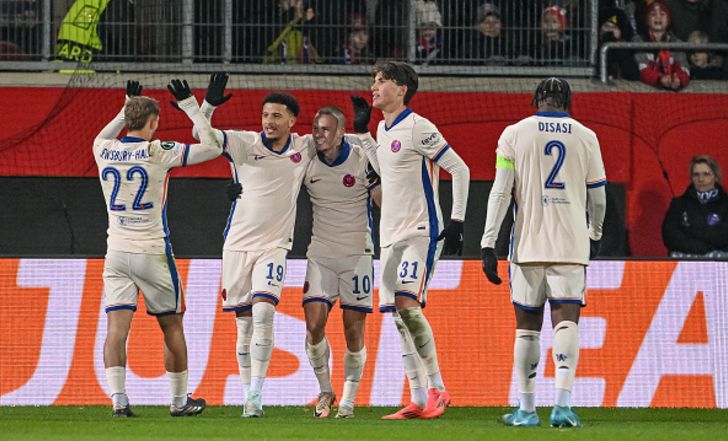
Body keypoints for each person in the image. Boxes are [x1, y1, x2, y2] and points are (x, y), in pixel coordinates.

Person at [481, 77, 607, 428]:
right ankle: (562, 406)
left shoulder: (514, 133)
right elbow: (598, 196)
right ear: (568, 101)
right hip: (571, 243)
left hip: (527, 244)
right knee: (566, 320)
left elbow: (501, 192)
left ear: (537, 99)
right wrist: (595, 233)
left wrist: (488, 242)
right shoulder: (587, 136)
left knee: (527, 327)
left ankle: (526, 410)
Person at [94, 79, 220, 417]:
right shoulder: (158, 150)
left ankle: (118, 399)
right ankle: (179, 402)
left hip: (116, 252)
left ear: (127, 118)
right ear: (153, 122)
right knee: (172, 326)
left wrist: (127, 106)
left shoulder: (101, 148)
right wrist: (192, 107)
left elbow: (110, 131)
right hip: (152, 251)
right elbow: (212, 147)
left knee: (116, 329)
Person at [356, 61, 470, 419]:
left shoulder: (420, 127)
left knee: (408, 303)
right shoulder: (383, 127)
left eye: (382, 81)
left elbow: (460, 168)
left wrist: (457, 220)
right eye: (374, 81)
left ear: (402, 89)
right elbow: (385, 169)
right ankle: (418, 398)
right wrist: (363, 134)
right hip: (389, 234)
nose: (374, 87)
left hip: (421, 230)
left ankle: (438, 388)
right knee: (397, 315)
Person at [301, 104, 381, 419]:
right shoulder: (306, 159)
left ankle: (348, 400)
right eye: (315, 128)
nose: (318, 134)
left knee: (353, 330)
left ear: (341, 133)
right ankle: (325, 390)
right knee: (314, 326)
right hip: (320, 253)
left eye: (325, 129)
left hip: (357, 254)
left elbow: (382, 201)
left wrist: (379, 177)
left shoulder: (361, 158)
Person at [662, 155, 728, 258]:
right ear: (691, 178)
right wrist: (700, 247)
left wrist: (692, 231)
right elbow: (670, 236)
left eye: (706, 174)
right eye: (696, 175)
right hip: (684, 263)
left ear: (716, 177)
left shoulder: (726, 205)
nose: (701, 179)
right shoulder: (679, 204)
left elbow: (724, 236)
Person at [633, 1, 690, 91]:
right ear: (647, 19)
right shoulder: (638, 41)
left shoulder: (677, 43)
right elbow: (642, 69)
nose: (658, 17)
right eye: (653, 14)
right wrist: (660, 79)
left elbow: (684, 68)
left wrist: (679, 79)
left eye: (662, 14)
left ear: (668, 20)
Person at [597, 6, 640, 81]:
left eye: (614, 27)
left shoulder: (627, 49)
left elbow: (633, 75)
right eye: (606, 26)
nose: (610, 30)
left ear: (621, 32)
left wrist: (618, 47)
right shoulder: (592, 49)